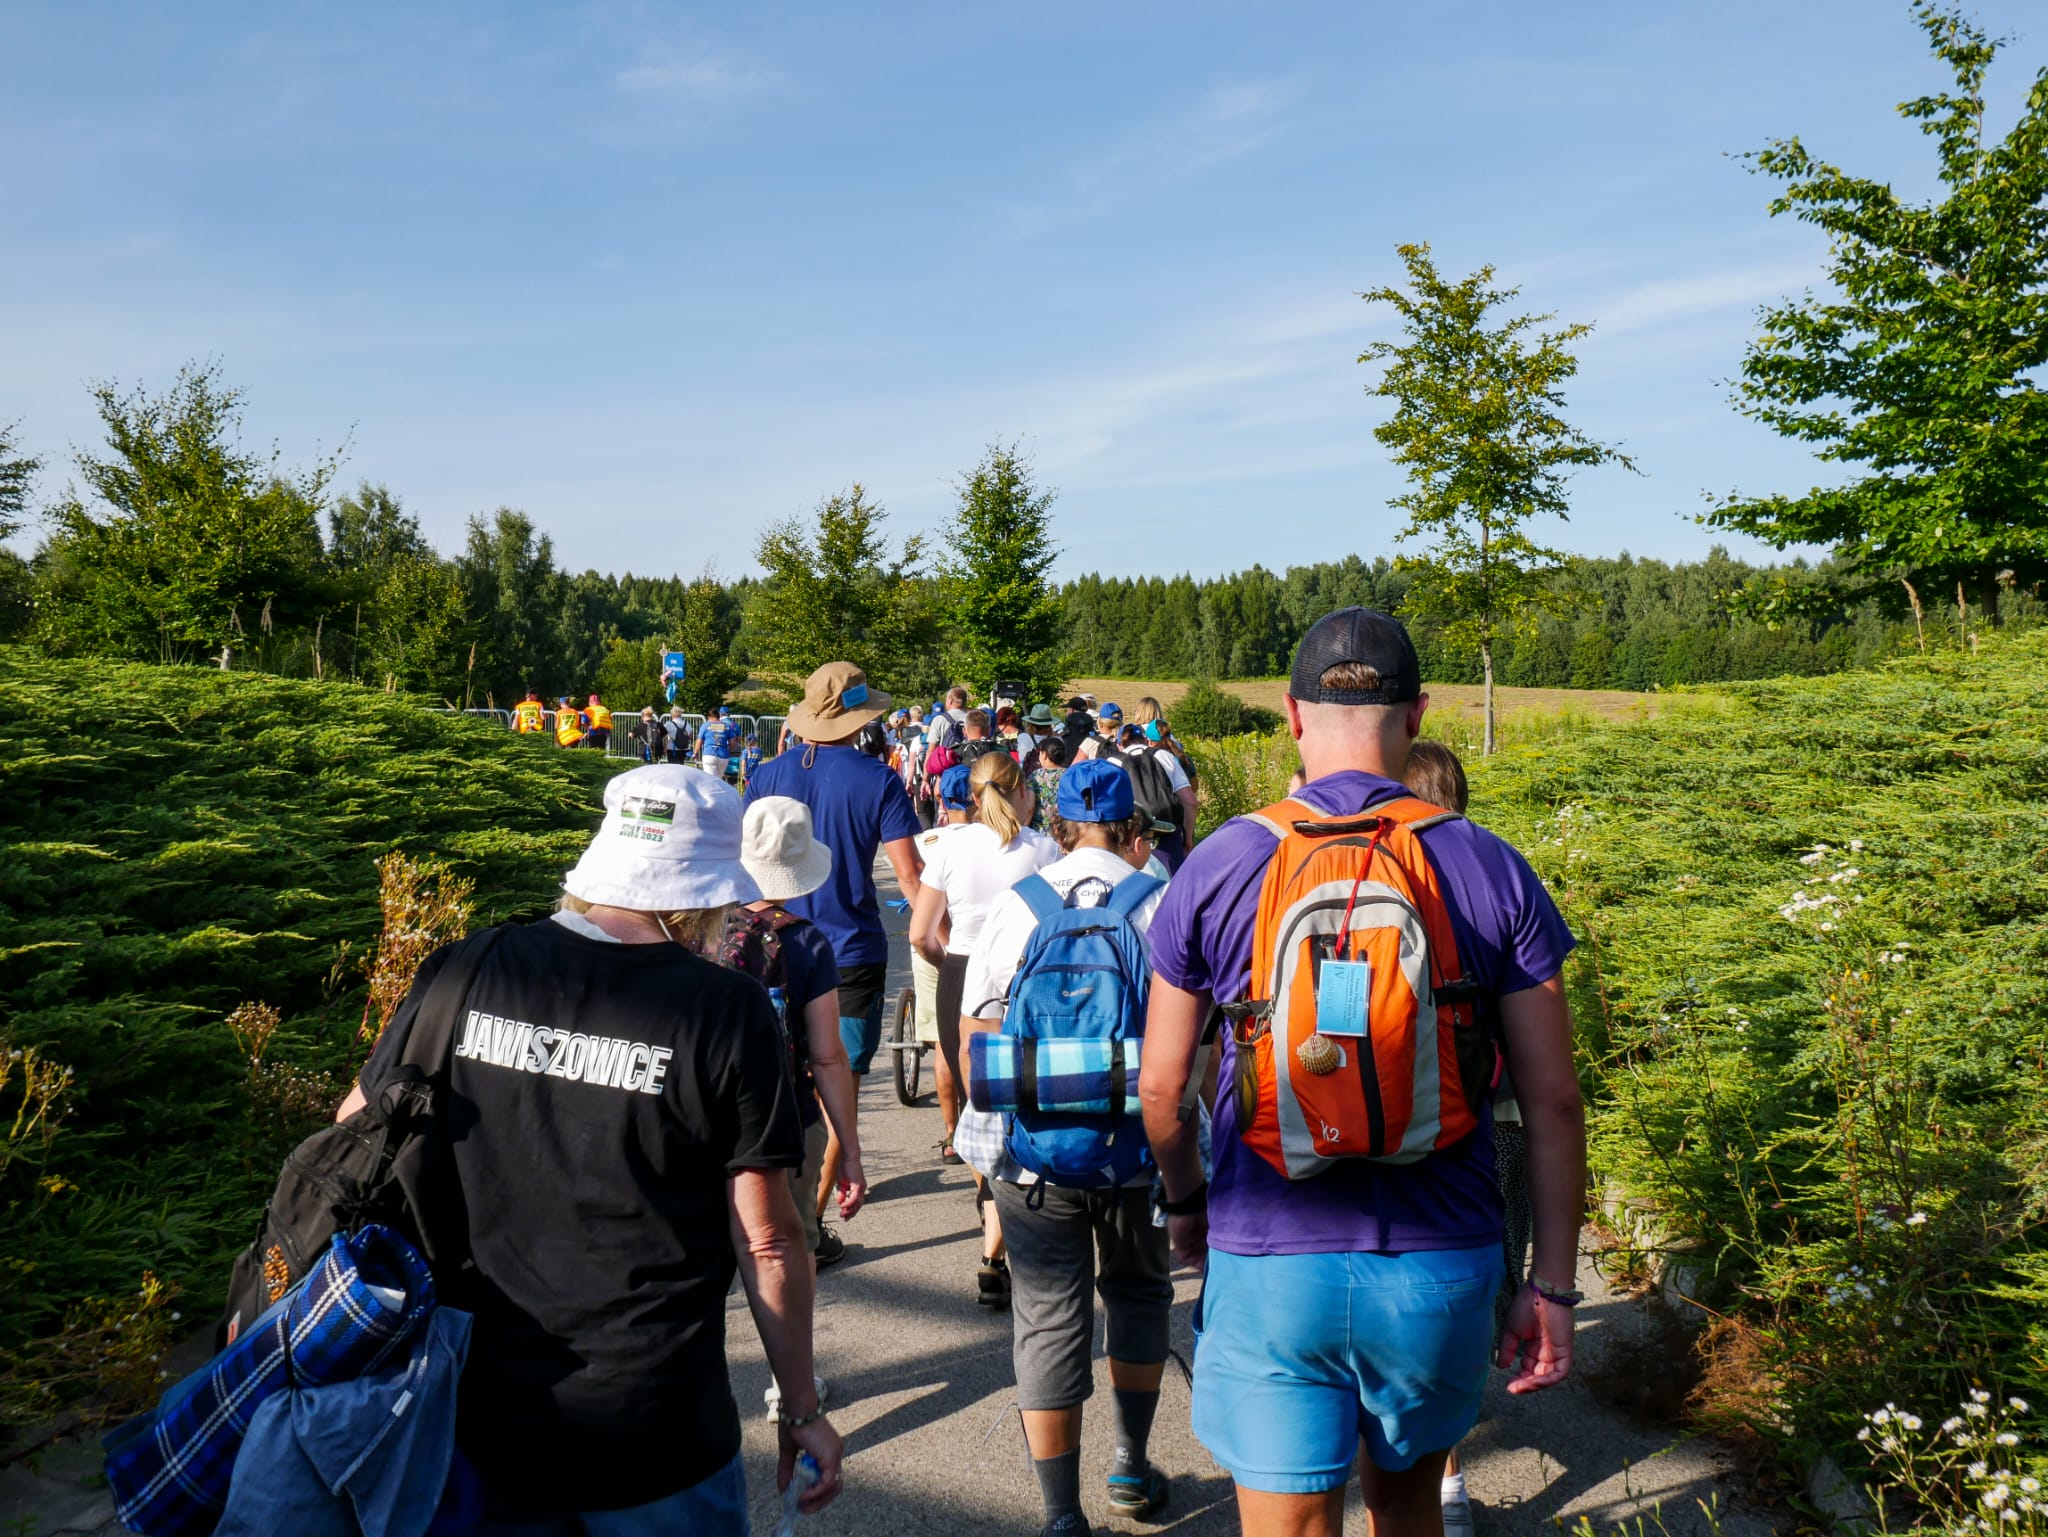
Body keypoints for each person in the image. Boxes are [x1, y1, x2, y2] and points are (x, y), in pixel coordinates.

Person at [1136, 606, 1586, 1537]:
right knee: (1410, 1507)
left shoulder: (1220, 862)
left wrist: (1187, 1204)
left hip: (1271, 1256)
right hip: (1439, 1257)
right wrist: (1552, 1285)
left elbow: (1163, 1088)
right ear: (1417, 713)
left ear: (1292, 716)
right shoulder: (1488, 864)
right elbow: (1552, 1100)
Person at [334, 765, 843, 1534]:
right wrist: (800, 1407)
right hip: (653, 1426)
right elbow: (767, 1240)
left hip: (475, 1412)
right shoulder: (726, 1009)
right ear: (706, 893)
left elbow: (353, 1131)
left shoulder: (469, 966)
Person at [957, 760, 1174, 1535]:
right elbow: (1193, 1041)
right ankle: (1130, 1466)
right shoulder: (1159, 901)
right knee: (1139, 1295)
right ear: (1131, 827)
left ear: (1059, 824)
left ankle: (1060, 1515)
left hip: (1033, 1155)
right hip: (1138, 1149)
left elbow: (977, 1035)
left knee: (1047, 1317)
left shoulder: (1019, 905)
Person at [745, 662, 925, 1250]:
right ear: (861, 718)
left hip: (767, 944)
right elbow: (909, 874)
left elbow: (742, 864)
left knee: (766, 1079)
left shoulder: (765, 774)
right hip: (849, 951)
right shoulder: (880, 781)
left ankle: (766, 1219)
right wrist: (938, 938)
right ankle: (808, 1227)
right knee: (835, 1087)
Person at [1399, 738, 1516, 1537]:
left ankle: (1439, 1476)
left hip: (1403, 1129)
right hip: (1496, 1120)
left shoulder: (1368, 873)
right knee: (1483, 1291)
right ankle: (1446, 1478)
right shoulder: (1497, 873)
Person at [723, 796, 867, 1278]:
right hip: (785, 1121)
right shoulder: (806, 943)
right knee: (787, 1247)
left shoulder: (701, 927)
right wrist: (849, 1154)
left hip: (706, 1119)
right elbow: (827, 1058)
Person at [909, 751, 1058, 1168]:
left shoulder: (949, 848)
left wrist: (946, 966)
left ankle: (986, 1190)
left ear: (974, 796)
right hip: (1024, 974)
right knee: (1027, 1082)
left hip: (961, 966)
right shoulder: (1044, 849)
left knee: (975, 1095)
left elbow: (920, 934)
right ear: (1023, 791)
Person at [1102, 722, 1197, 873]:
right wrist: (1188, 837)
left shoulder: (1113, 762)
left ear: (1119, 745)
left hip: (1130, 841)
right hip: (1166, 837)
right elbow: (1190, 802)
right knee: (1172, 884)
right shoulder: (1164, 756)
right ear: (1146, 740)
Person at [1028, 735, 1069, 833]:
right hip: (1065, 831)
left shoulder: (1036, 776)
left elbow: (1030, 807)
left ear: (1045, 755)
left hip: (1040, 831)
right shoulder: (1070, 774)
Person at [698, 705, 740, 780]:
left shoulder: (708, 724)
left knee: (710, 779)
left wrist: (695, 752)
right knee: (720, 778)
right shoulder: (733, 724)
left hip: (710, 752)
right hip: (726, 753)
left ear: (720, 714)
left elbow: (700, 740)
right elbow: (737, 739)